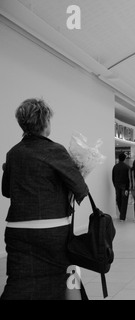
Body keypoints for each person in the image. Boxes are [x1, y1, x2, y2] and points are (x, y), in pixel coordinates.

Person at [1, 98, 89, 300]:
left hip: (17, 230)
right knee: (69, 274)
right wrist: (78, 170)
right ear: (45, 122)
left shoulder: (13, 153)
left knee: (19, 281)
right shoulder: (55, 150)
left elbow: (7, 191)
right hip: (53, 230)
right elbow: (80, 189)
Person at [113, 153, 130, 222]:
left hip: (117, 185)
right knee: (124, 201)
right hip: (124, 186)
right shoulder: (127, 167)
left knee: (118, 200)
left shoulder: (115, 167)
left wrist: (115, 185)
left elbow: (113, 177)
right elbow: (128, 178)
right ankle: (122, 217)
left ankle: (121, 214)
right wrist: (127, 188)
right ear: (124, 159)